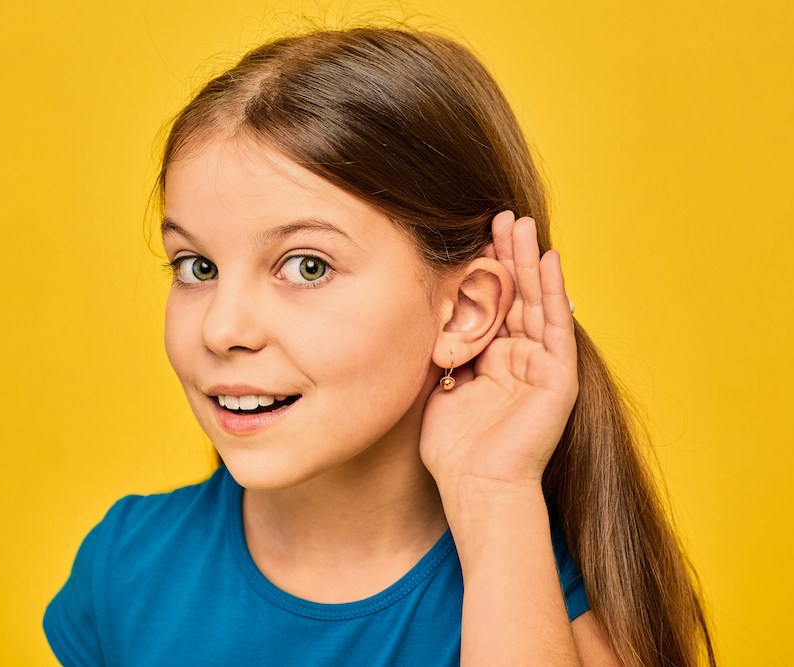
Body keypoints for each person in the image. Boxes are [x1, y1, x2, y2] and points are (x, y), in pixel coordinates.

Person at [44, 26, 714, 666]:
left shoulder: (551, 602)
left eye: (306, 265)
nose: (222, 330)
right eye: (196, 266)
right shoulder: (126, 568)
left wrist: (494, 494)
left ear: (465, 310)